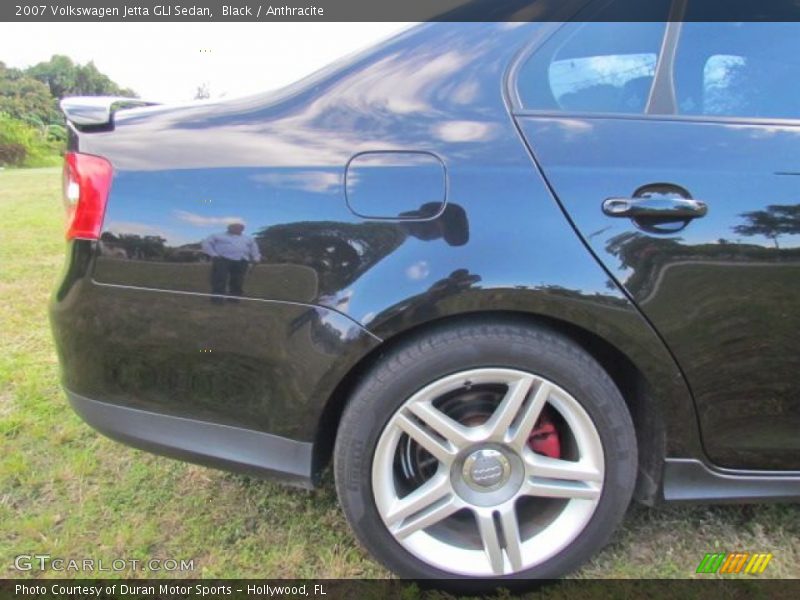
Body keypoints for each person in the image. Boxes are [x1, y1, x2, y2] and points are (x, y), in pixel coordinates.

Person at [201, 222, 261, 301]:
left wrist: (256, 258)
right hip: (222, 259)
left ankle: (234, 299)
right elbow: (206, 244)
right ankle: (217, 299)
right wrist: (213, 254)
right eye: (235, 227)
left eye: (240, 228)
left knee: (238, 280)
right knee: (219, 279)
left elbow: (254, 248)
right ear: (229, 228)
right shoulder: (217, 235)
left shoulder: (248, 238)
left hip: (242, 260)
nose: (238, 229)